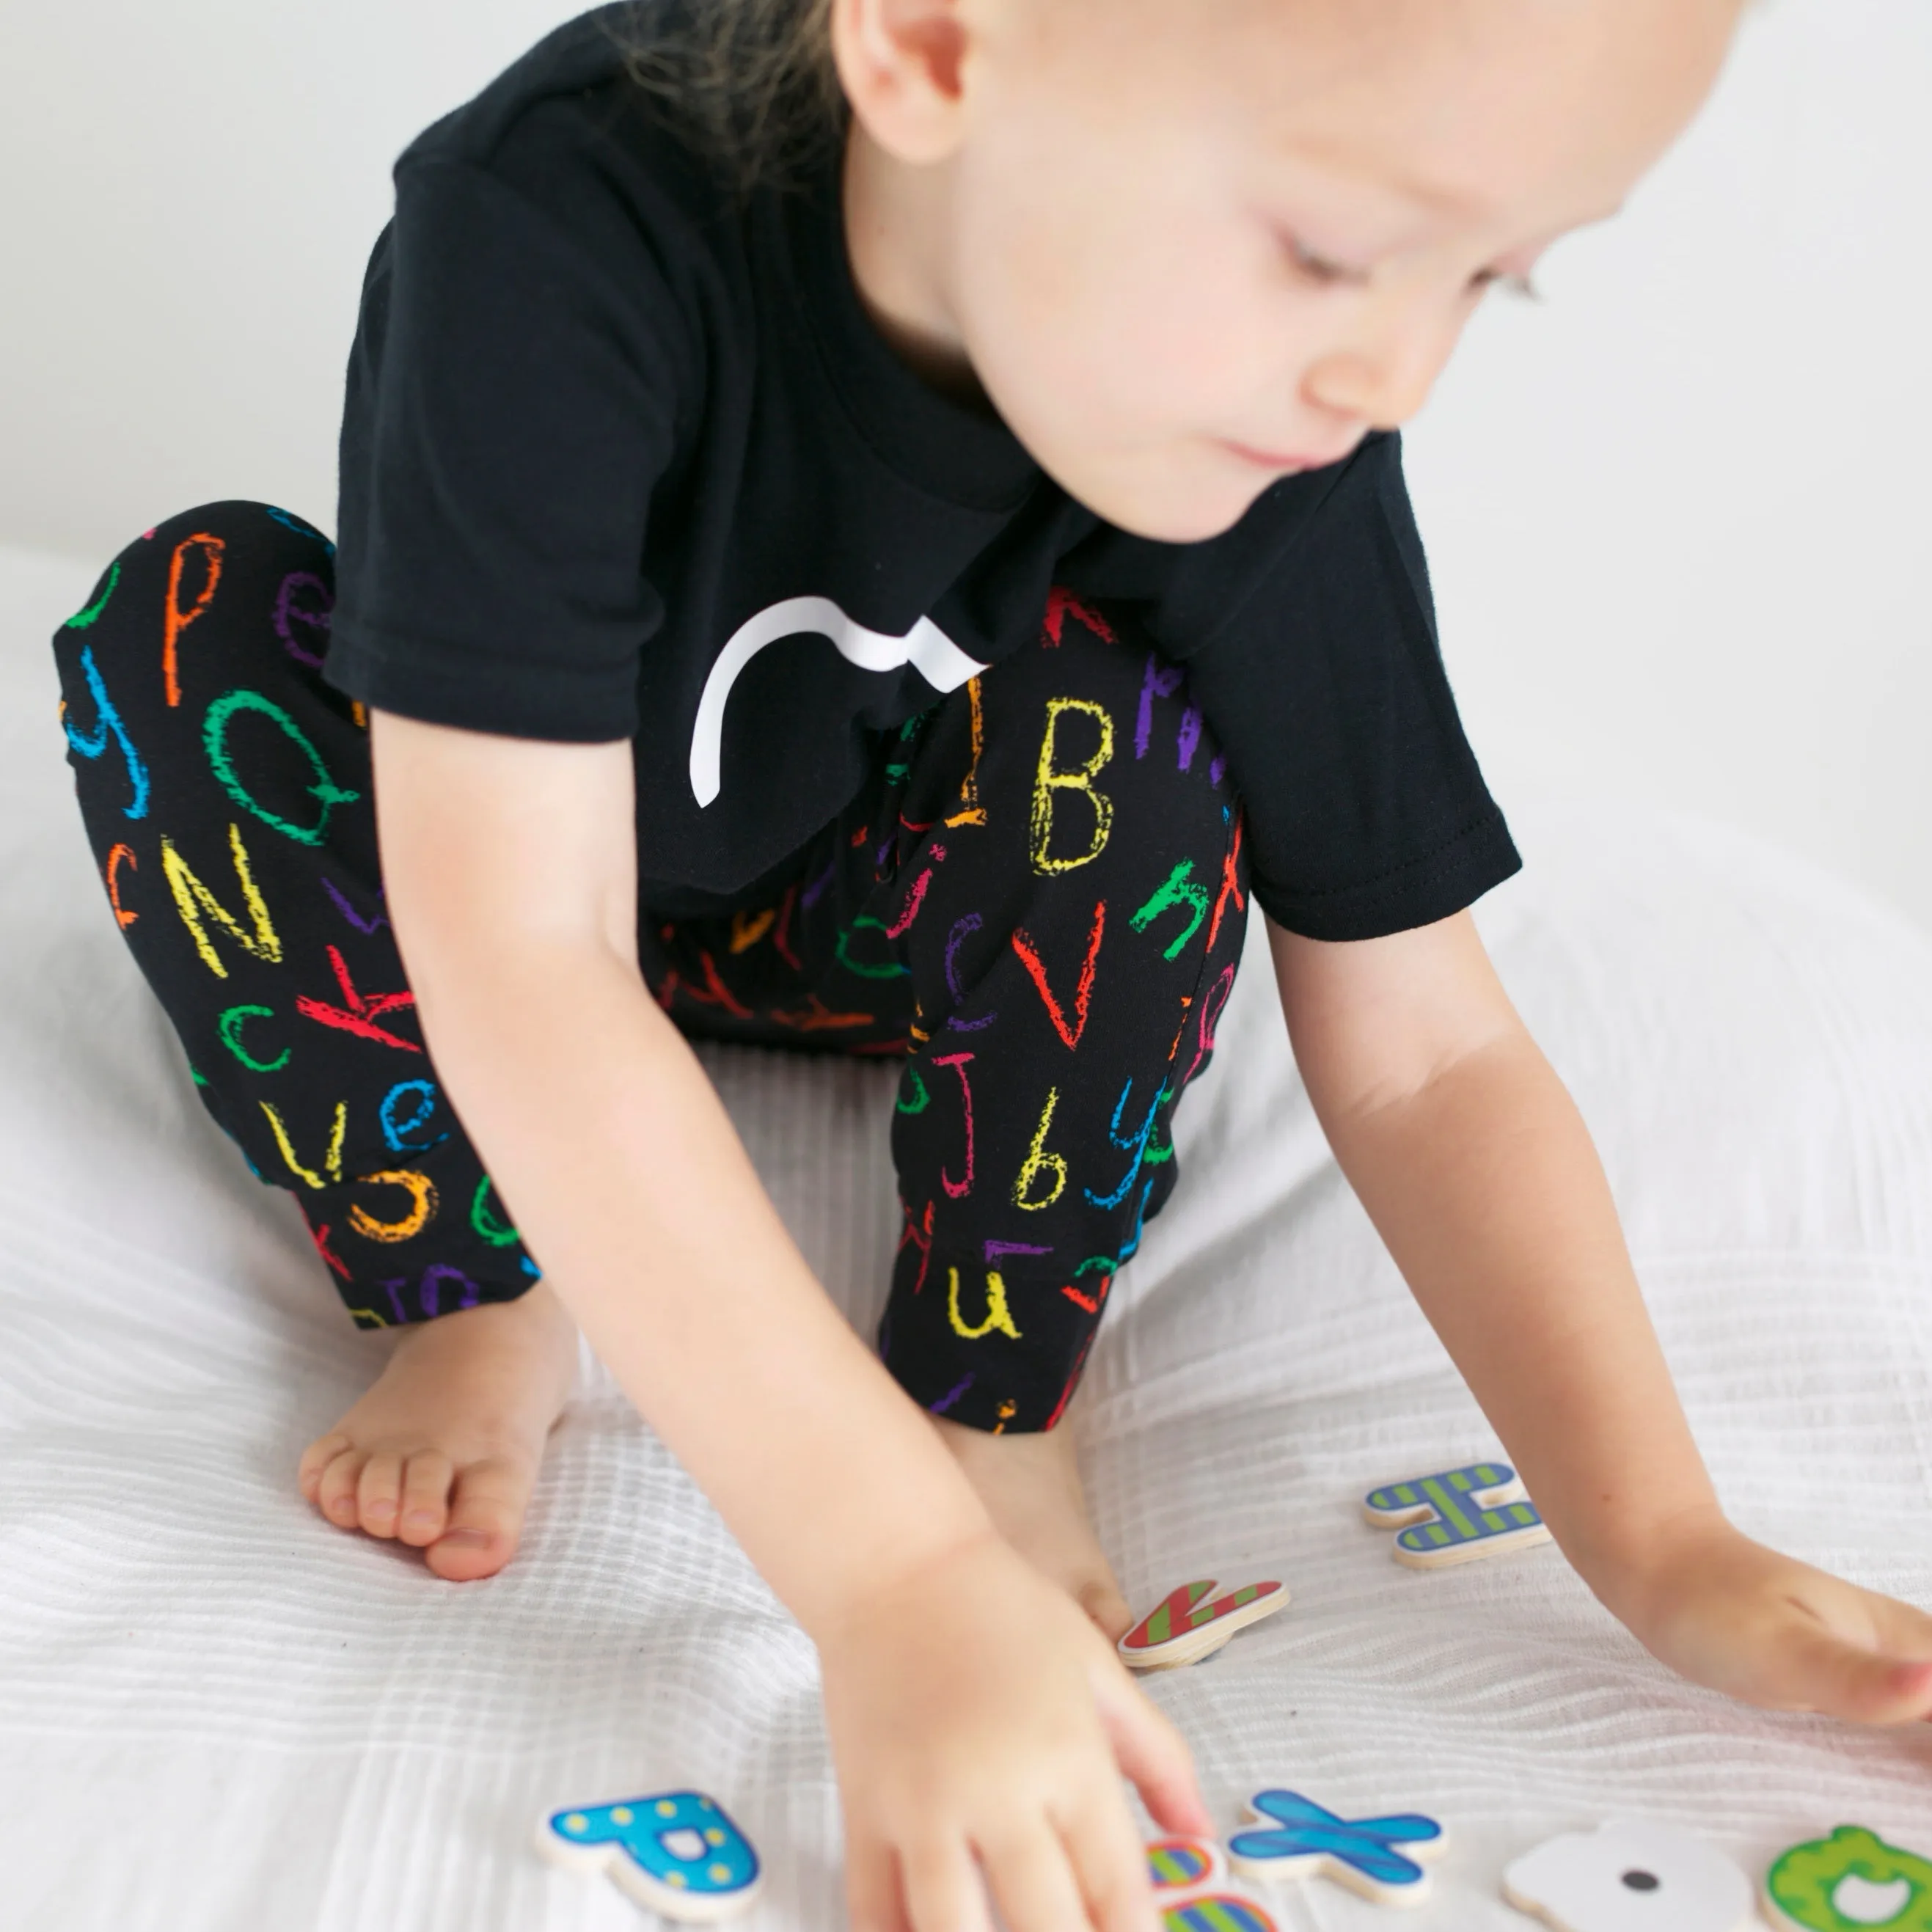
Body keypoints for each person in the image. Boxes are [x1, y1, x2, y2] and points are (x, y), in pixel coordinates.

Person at [51, 1, 1932, 1928]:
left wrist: (1659, 1538)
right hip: (498, 888)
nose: (1397, 370)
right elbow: (525, 954)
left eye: (1496, 283)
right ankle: (470, 1294)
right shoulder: (547, 227)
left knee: (1130, 743)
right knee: (174, 628)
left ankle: (989, 1392)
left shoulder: (1285, 423)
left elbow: (1424, 1048)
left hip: (875, 915)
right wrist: (895, 1587)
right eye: (1336, 251)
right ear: (941, 46)